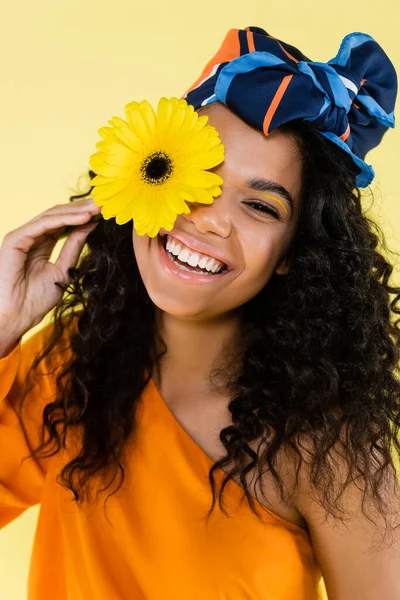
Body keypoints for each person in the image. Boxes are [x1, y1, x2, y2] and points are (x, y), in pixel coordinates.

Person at [1, 25, 400, 600]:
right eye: (195, 173)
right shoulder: (66, 364)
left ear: (295, 254)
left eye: (261, 205)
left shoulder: (325, 446)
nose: (210, 218)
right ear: (141, 180)